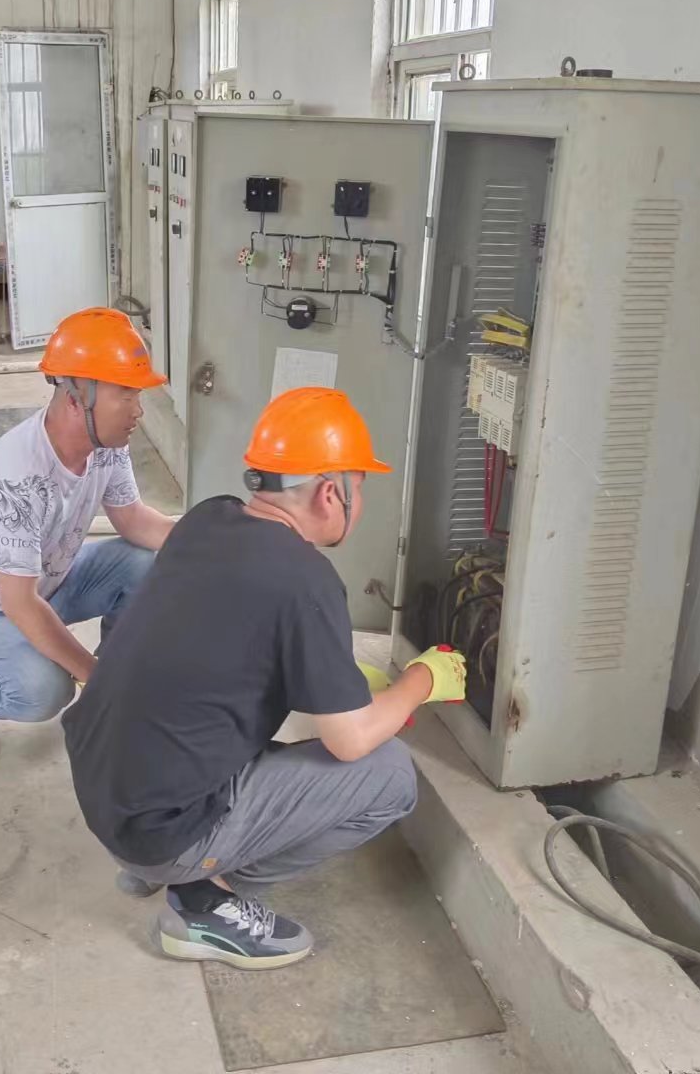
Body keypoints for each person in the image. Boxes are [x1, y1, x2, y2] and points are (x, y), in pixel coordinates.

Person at [62, 387, 467, 969]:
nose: (359, 501)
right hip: (160, 828)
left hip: (106, 787)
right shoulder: (306, 580)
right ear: (330, 492)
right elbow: (349, 740)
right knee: (390, 776)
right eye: (359, 487)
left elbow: (225, 643)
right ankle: (204, 897)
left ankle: (161, 860)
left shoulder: (207, 519)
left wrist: (343, 676)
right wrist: (422, 680)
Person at [0, 307, 174, 764]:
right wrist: (93, 678)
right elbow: (18, 604)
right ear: (78, 397)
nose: (138, 410)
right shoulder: (16, 478)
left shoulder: (105, 445)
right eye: (126, 394)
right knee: (44, 690)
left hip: (42, 584)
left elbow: (135, 521)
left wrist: (215, 542)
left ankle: (115, 680)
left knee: (151, 563)